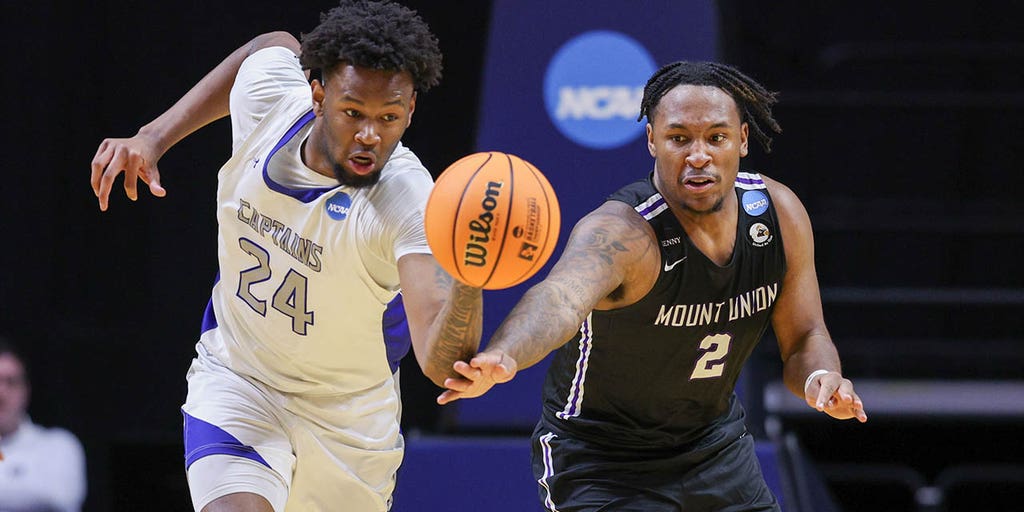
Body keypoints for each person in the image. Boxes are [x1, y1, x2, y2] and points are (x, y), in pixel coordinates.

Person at [89, 1, 484, 511]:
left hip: (348, 421)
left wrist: (474, 275)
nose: (370, 135)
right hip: (241, 378)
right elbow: (267, 44)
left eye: (389, 117)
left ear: (411, 110)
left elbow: (438, 356)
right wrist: (153, 137)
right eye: (353, 113)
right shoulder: (273, 100)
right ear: (317, 93)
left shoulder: (408, 200)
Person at [438, 61, 869, 511]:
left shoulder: (776, 214)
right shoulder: (622, 233)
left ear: (742, 139)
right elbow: (560, 298)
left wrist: (822, 378)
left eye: (716, 138)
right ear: (652, 141)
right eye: (679, 138)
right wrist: (507, 352)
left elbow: (804, 336)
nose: (698, 155)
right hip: (601, 459)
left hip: (714, 448)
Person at [0, 337, 87, 512]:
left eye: (10, 382)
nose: (1, 393)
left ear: (25, 391)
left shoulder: (58, 446)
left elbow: (60, 499)